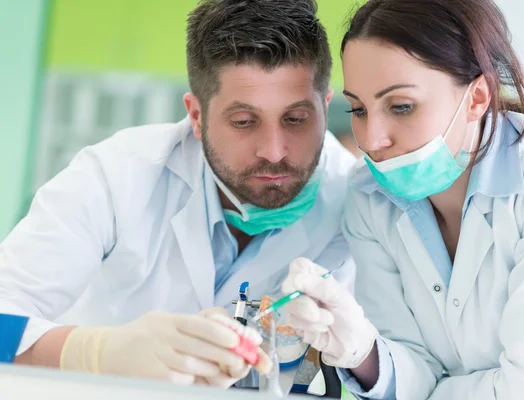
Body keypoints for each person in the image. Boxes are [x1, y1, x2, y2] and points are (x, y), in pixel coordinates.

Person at [0, 0, 356, 389]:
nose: (273, 150)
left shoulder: (361, 207)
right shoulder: (117, 176)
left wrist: (360, 355)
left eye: (296, 119)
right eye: (243, 121)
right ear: (197, 117)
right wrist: (95, 352)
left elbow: (408, 368)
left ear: (324, 107)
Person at [282, 0, 524, 398]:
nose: (372, 140)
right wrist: (363, 353)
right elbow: (414, 370)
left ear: (478, 97)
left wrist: (433, 389)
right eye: (359, 109)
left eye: (401, 106)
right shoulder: (369, 197)